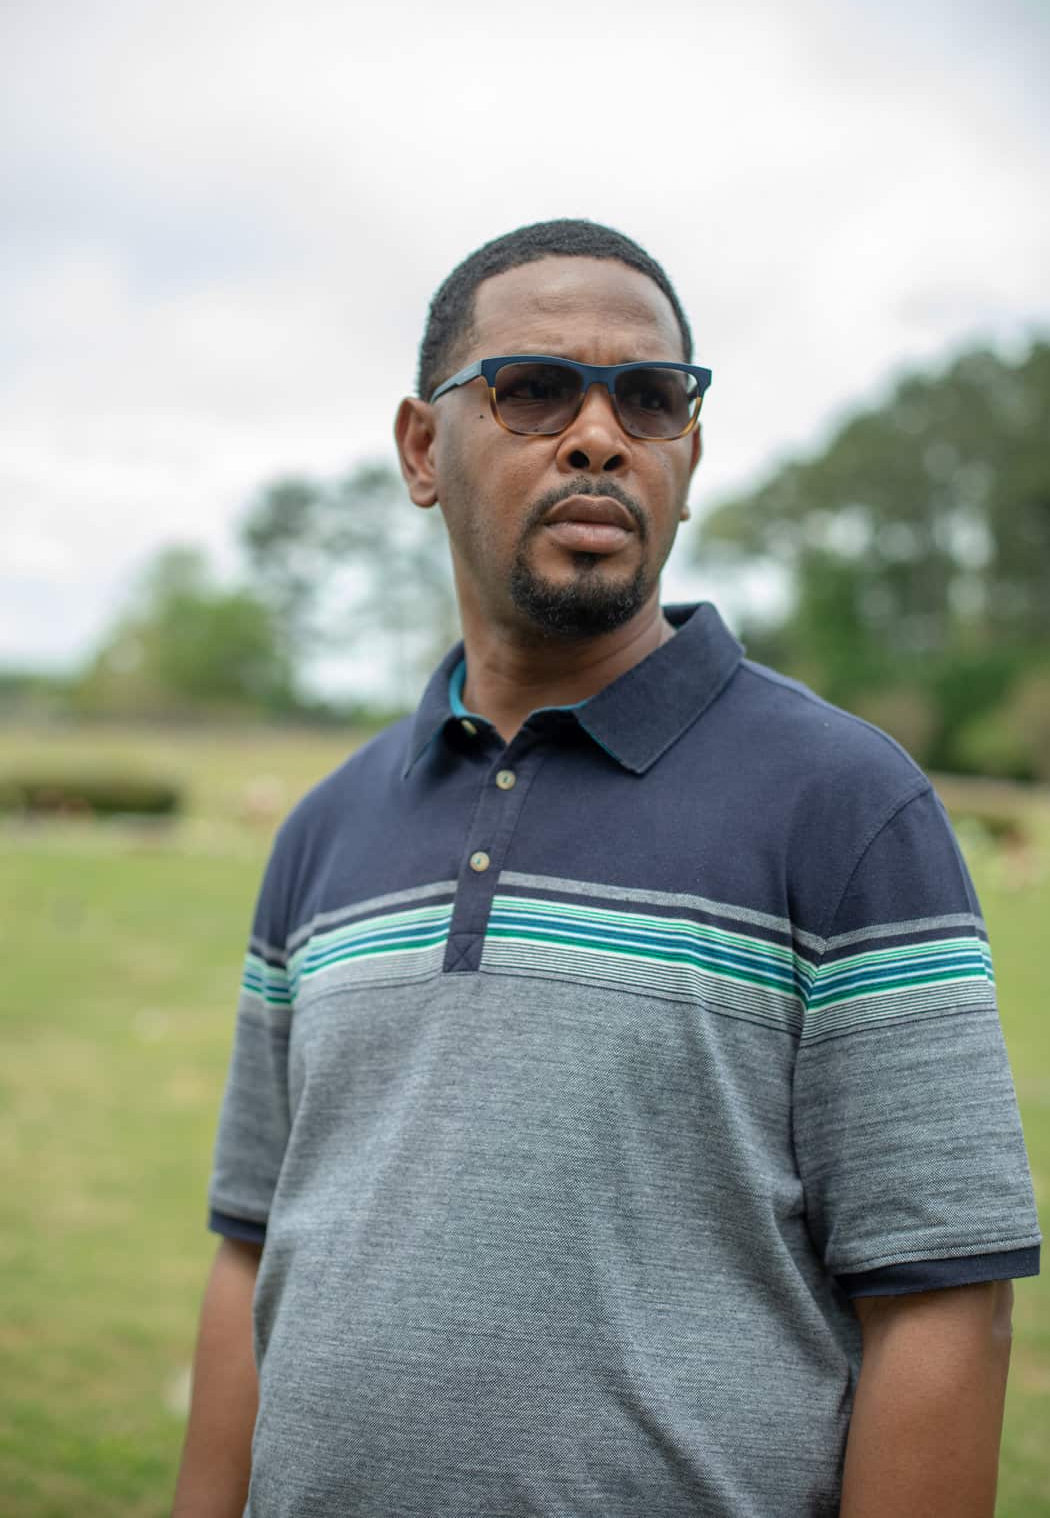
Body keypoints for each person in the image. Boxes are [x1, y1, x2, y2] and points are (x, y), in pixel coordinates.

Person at [173, 220, 1041, 1518]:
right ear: (422, 448)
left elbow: (941, 1301)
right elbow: (253, 1250)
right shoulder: (326, 829)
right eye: (531, 389)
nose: (597, 435)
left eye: (648, 398)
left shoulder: (847, 805)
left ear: (686, 459)